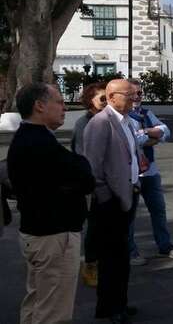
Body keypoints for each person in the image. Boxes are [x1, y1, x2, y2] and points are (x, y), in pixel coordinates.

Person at [8, 82, 95, 324]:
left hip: (39, 233)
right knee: (53, 311)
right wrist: (80, 171)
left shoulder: (29, 138)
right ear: (39, 106)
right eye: (59, 101)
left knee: (37, 301)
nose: (64, 108)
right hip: (54, 235)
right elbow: (84, 176)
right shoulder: (39, 144)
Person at [83, 79, 142, 322]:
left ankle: (121, 302)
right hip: (110, 201)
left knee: (121, 256)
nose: (134, 98)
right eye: (128, 95)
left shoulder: (127, 121)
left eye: (135, 94)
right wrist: (107, 198)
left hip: (128, 194)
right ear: (111, 96)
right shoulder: (100, 123)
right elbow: (93, 169)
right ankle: (109, 308)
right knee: (110, 259)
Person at [127, 79, 173, 266]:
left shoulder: (146, 113)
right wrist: (151, 137)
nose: (137, 97)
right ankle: (131, 251)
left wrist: (145, 132)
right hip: (131, 173)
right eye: (133, 93)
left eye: (140, 93)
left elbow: (166, 132)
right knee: (129, 215)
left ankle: (165, 246)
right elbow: (133, 141)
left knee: (158, 211)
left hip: (150, 172)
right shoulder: (122, 116)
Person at [71, 82, 107, 288]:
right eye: (101, 98)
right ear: (89, 102)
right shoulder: (84, 123)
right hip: (92, 185)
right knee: (94, 228)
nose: (106, 102)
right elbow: (85, 157)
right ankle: (91, 264)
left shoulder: (109, 120)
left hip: (109, 184)